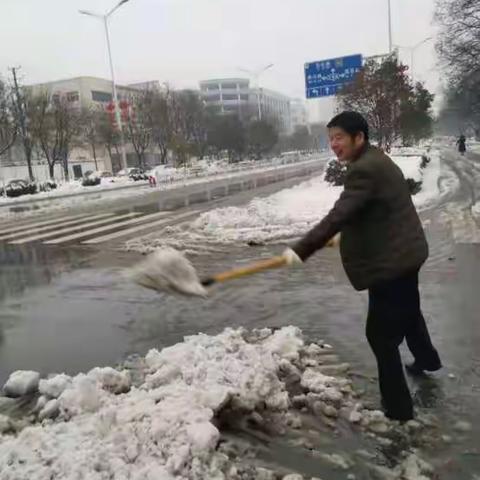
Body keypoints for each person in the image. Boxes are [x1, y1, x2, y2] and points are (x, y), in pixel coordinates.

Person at [284, 111, 442, 421]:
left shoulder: (364, 170)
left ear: (359, 137)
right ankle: (428, 360)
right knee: (408, 311)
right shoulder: (376, 159)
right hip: (405, 254)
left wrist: (303, 248)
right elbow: (367, 209)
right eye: (330, 138)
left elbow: (339, 214)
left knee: (380, 337)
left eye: (339, 137)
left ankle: (398, 409)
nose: (334, 144)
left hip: (391, 263)